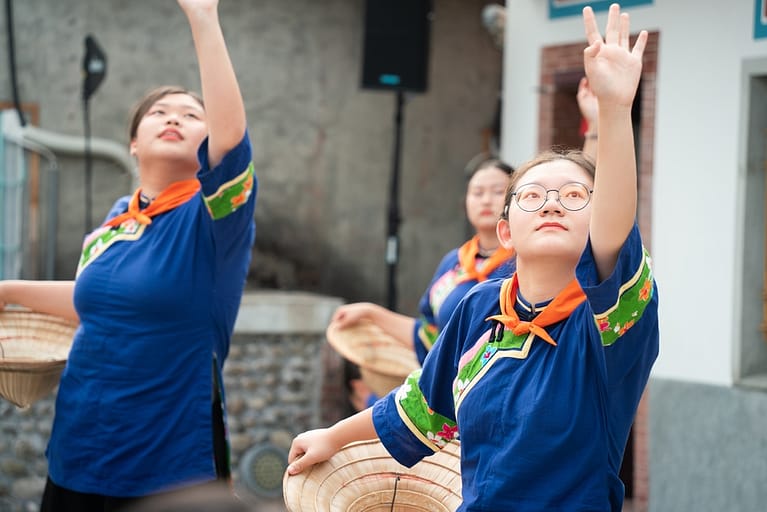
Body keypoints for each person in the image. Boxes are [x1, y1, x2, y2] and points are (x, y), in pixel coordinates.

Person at [286, 4, 658, 511]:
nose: (551, 202)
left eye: (575, 196)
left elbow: (615, 226)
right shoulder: (479, 306)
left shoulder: (605, 324)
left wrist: (614, 112)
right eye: (531, 196)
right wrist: (334, 435)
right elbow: (422, 404)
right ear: (506, 230)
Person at [0, 0, 256, 509]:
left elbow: (231, 139)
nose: (174, 119)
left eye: (191, 114)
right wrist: (8, 290)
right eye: (158, 113)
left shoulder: (213, 222)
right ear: (133, 144)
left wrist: (203, 17)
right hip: (79, 449)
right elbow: (99, 302)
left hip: (168, 467)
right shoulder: (118, 219)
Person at [331, 159, 516, 408]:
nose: (485, 200)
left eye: (497, 192)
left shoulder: (523, 263)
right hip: (451, 394)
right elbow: (430, 336)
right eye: (477, 192)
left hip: (501, 392)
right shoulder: (454, 263)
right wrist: (369, 312)